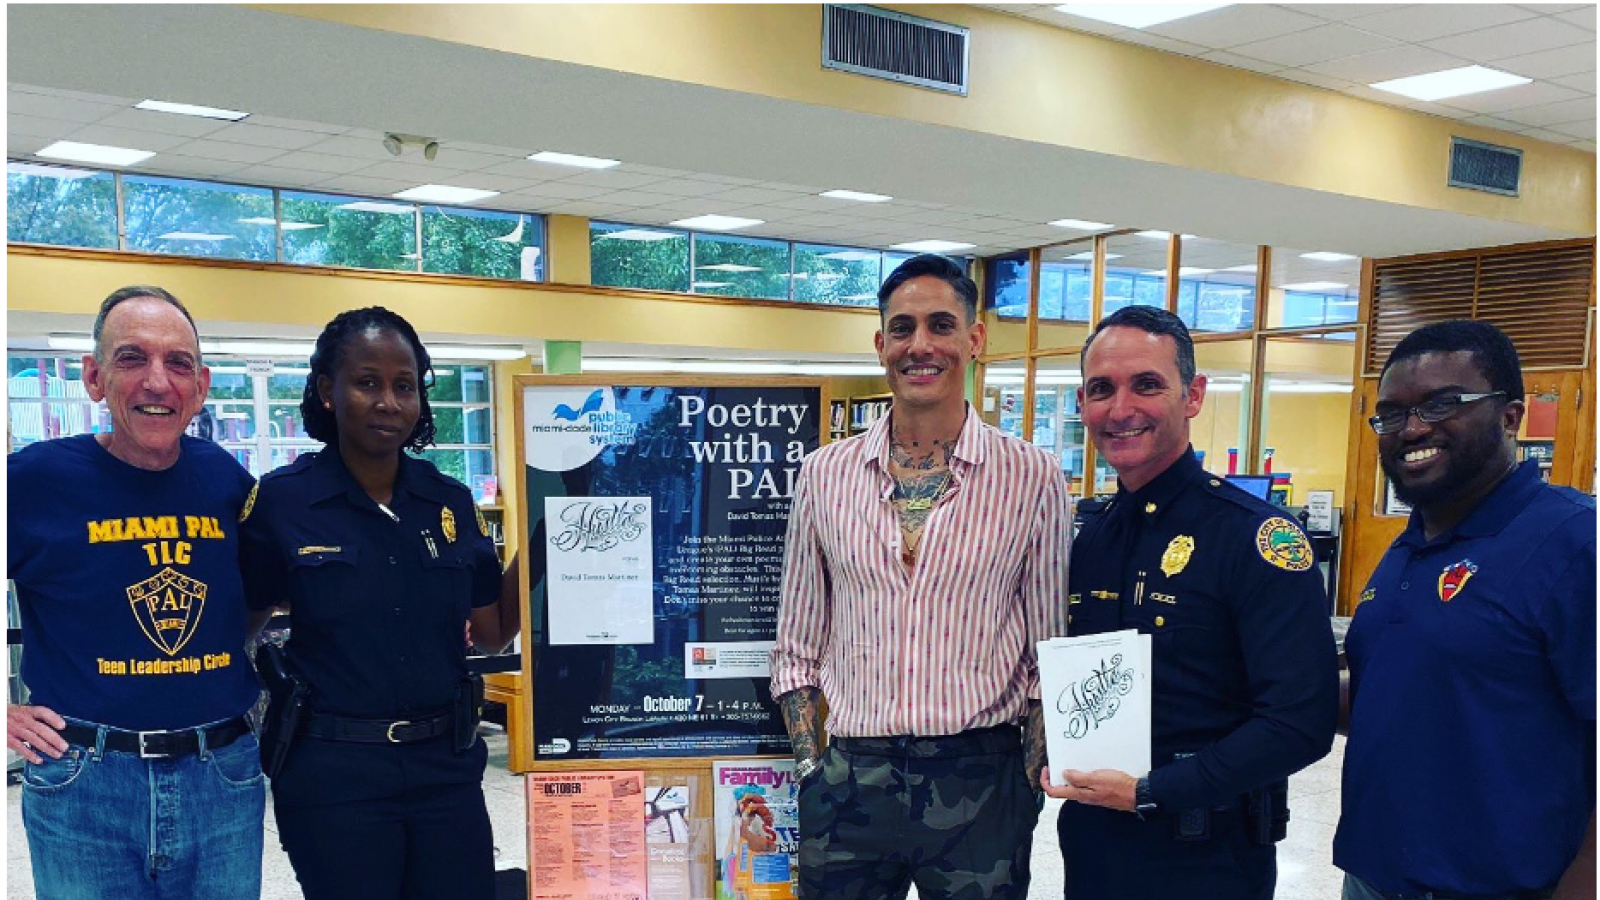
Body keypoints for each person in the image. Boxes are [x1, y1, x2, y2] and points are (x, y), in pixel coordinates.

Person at [770, 254, 1072, 900]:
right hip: (853, 778)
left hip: (980, 779)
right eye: (902, 328)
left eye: (941, 324)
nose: (921, 345)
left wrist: (1022, 782)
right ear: (881, 345)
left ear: (974, 338)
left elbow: (1051, 652)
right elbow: (797, 645)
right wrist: (809, 769)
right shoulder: (824, 474)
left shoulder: (1033, 477)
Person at [1045, 305, 1338, 899]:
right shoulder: (1093, 537)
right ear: (1083, 405)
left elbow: (1300, 723)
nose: (1120, 409)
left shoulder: (1256, 538)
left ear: (1194, 395)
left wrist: (1155, 790)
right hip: (1095, 846)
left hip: (1207, 858)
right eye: (1101, 390)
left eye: (1146, 384)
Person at [239, 307, 521, 900]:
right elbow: (240, 628)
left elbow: (492, 632)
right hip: (333, 775)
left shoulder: (448, 502)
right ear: (326, 390)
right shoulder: (282, 503)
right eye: (367, 382)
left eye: (405, 385)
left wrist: (550, 540)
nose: (388, 402)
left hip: (445, 768)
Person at [6, 285, 266, 899]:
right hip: (83, 786)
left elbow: (263, 588)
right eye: (132, 358)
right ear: (94, 378)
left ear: (200, 386)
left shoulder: (224, 478)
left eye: (177, 363)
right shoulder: (36, 480)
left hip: (222, 777)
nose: (158, 381)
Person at [1335, 320, 1595, 900]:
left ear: (1511, 416)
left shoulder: (1576, 543)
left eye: (1442, 404)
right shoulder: (1408, 547)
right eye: (1392, 413)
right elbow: (1399, 694)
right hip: (1373, 876)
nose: (1412, 429)